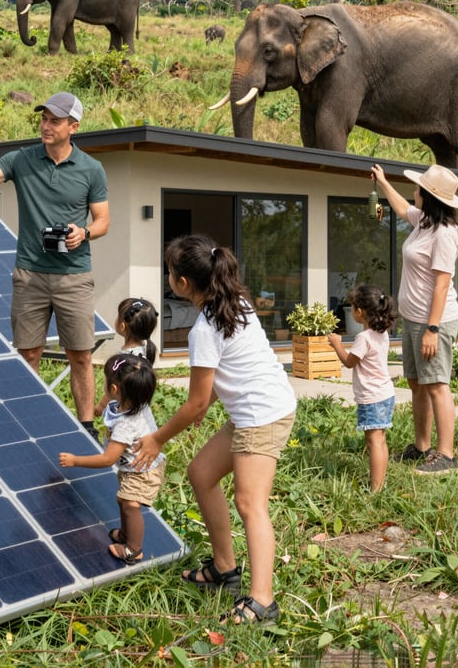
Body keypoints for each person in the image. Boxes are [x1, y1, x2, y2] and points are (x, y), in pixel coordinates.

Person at [133, 234, 296, 627]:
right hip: (258, 407)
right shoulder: (235, 303)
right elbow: (230, 371)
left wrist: (156, 438)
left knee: (250, 503)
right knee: (201, 473)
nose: (168, 277)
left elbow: (195, 404)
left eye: (169, 272)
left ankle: (262, 602)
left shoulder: (204, 330)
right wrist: (207, 403)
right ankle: (224, 569)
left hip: (262, 414)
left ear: (182, 283)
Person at [0, 92, 110, 439]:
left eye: (55, 121)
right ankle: (29, 426)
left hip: (74, 276)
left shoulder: (92, 169)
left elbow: (103, 221)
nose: (46, 126)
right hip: (29, 275)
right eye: (43, 119)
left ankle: (86, 428)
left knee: (80, 356)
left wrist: (84, 232)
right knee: (28, 354)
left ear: (73, 127)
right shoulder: (21, 159)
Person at [370, 163, 458, 474]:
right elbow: (401, 208)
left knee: (436, 384)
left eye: (418, 189)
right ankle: (422, 446)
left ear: (429, 196)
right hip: (413, 320)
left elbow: (442, 284)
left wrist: (432, 329)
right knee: (416, 384)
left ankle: (446, 454)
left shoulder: (444, 234)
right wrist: (383, 183)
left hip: (433, 322)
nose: (414, 192)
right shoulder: (424, 222)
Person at [59, 353, 166, 564]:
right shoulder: (135, 402)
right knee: (123, 500)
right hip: (134, 468)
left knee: (130, 505)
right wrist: (100, 407)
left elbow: (108, 459)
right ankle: (126, 535)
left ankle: (134, 549)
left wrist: (75, 461)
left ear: (114, 389)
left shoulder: (126, 424)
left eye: (106, 380)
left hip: (143, 472)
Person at [327, 284, 398, 492]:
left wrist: (337, 344)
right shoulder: (382, 333)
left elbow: (349, 362)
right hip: (385, 393)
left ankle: (375, 489)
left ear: (359, 312)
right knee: (380, 440)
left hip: (371, 397)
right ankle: (380, 484)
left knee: (373, 442)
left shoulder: (363, 338)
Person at [95, 298, 158, 417]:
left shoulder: (123, 360)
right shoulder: (146, 347)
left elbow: (112, 388)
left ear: (122, 326)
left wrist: (100, 407)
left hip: (125, 415)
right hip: (143, 412)